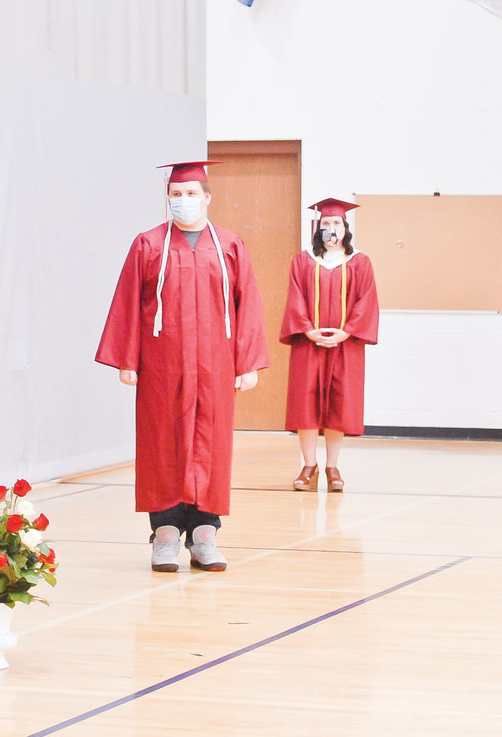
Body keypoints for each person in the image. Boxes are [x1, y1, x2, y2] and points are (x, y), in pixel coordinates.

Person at [96, 160, 269, 574]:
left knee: (210, 445)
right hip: (162, 364)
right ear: (167, 198)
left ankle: (206, 534)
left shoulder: (229, 246)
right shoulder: (148, 244)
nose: (184, 201)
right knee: (163, 445)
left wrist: (248, 363)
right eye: (176, 194)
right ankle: (167, 534)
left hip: (216, 365)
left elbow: (248, 307)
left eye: (192, 194)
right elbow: (127, 303)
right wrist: (127, 358)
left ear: (208, 197)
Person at [280, 198, 379, 492]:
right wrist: (308, 331)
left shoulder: (360, 262)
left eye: (336, 223)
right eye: (325, 224)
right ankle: (308, 464)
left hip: (345, 346)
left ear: (345, 228)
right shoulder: (303, 260)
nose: (331, 228)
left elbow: (367, 301)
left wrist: (346, 333)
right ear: (318, 228)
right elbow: (295, 297)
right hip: (307, 344)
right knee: (306, 404)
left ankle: (332, 466)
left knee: (340, 404)